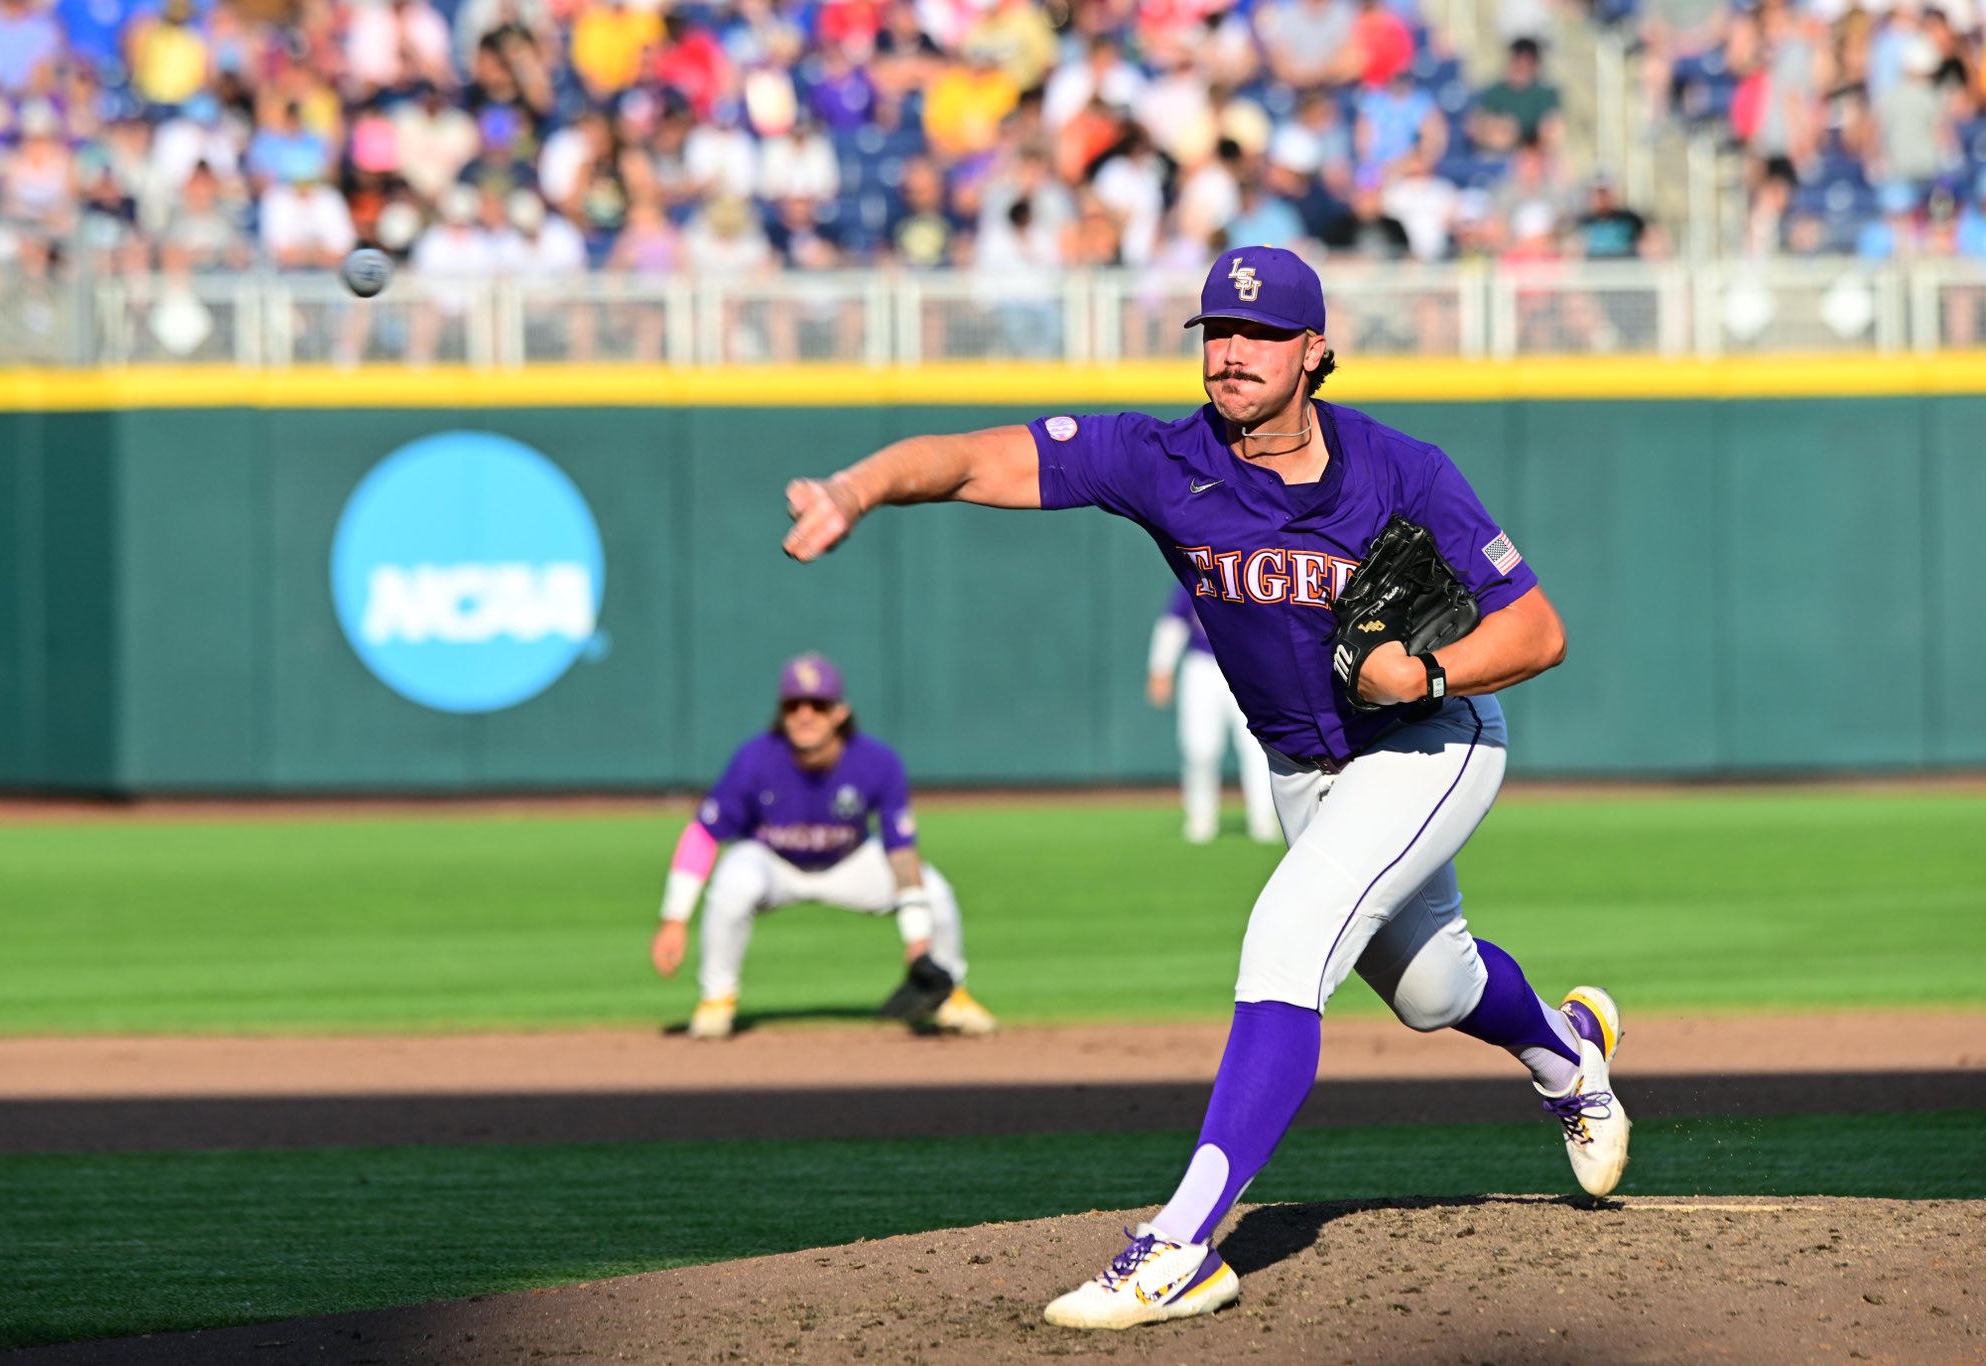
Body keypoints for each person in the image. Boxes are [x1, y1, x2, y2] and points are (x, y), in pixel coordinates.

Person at [781, 246, 1629, 1329]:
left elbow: (1538, 629)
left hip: (1430, 739)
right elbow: (964, 458)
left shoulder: (1399, 469)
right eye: (1215, 334)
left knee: (1285, 937)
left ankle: (1180, 1245)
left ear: (1313, 351)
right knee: (1428, 990)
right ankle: (1568, 1055)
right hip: (1299, 766)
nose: (1229, 354)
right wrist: (857, 488)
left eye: (1260, 336)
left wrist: (1421, 671)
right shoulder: (1157, 457)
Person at [650, 653, 997, 1041]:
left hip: (849, 863)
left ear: (840, 713)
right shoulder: (755, 759)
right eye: (793, 704)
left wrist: (918, 941)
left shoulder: (877, 762)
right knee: (735, 880)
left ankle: (949, 994)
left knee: (934, 892)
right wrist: (674, 918)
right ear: (781, 712)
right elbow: (704, 833)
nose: (805, 715)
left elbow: (901, 850)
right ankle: (716, 1000)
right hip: (775, 863)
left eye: (818, 705)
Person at [1147, 586, 1280, 845]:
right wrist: (1160, 667)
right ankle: (1200, 817)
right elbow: (1174, 622)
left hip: (1248, 665)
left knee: (1256, 747)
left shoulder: (1251, 575)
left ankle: (1264, 817)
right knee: (1199, 747)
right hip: (1202, 667)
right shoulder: (1198, 570)